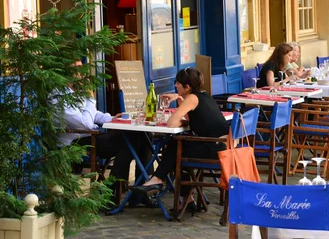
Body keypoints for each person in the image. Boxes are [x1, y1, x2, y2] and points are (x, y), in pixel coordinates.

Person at [52, 61, 152, 203]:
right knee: (128, 142)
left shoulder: (75, 91)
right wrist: (90, 98)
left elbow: (93, 114)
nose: (83, 73)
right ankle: (110, 191)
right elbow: (85, 123)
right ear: (68, 73)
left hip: (89, 136)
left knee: (143, 136)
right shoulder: (59, 96)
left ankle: (142, 189)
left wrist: (111, 118)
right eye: (79, 69)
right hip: (75, 141)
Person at [133, 68, 229, 196]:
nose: (175, 85)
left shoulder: (192, 98)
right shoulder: (205, 96)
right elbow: (191, 119)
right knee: (178, 145)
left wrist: (180, 113)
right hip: (223, 147)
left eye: (177, 83)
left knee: (174, 146)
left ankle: (157, 180)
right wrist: (179, 99)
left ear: (187, 86)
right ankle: (186, 199)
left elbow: (171, 123)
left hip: (214, 150)